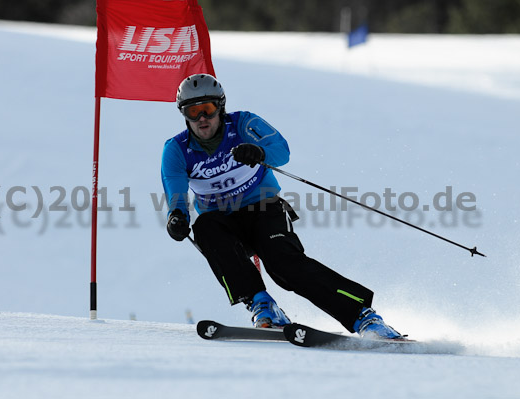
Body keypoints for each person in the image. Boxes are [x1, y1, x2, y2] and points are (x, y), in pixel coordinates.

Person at [161, 73, 403, 339]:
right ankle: (261, 304)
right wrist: (177, 218)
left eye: (207, 109)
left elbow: (281, 151)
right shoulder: (177, 149)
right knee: (204, 228)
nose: (202, 119)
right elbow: (176, 193)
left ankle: (363, 316)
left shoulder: (243, 124)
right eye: (193, 112)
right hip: (222, 222)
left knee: (284, 266)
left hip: (263, 209)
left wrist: (259, 152)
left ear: (220, 106)